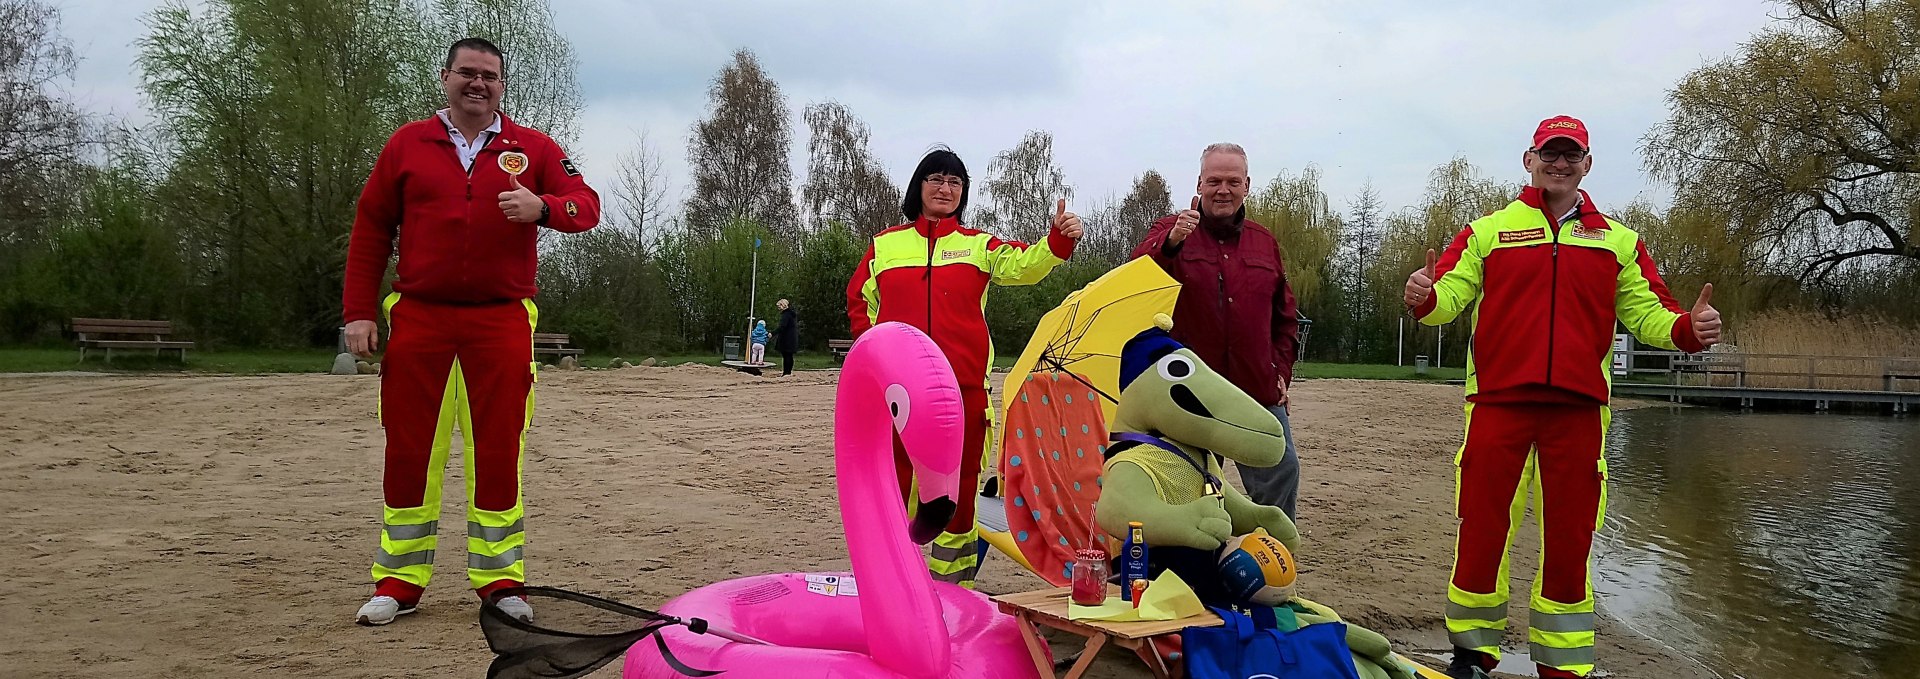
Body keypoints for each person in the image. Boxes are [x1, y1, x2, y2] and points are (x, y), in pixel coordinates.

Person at [1406, 116, 1720, 679]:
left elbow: (1649, 313)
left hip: (1579, 412)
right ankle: (1473, 654)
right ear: (1529, 160)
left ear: (1587, 164)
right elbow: (1447, 298)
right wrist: (1425, 297)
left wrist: (1688, 330)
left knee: (1571, 540)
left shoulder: (1620, 241)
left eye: (1571, 154)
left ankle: (1564, 666)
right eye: (1549, 153)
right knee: (1481, 530)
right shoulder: (1487, 232)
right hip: (1497, 405)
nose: (1559, 163)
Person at [342, 37, 600, 626]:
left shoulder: (532, 148)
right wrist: (358, 311)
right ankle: (399, 581)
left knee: (499, 447)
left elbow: (587, 205)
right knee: (409, 447)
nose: (477, 84)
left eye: (489, 76)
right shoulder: (408, 144)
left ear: (503, 86)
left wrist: (545, 210)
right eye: (467, 73)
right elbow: (371, 228)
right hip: (420, 316)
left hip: (500, 318)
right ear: (446, 77)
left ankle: (502, 581)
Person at [846, 147, 1083, 588]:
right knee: (893, 484)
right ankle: (892, 580)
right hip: (896, 394)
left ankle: (952, 588)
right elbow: (860, 299)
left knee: (959, 490)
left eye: (955, 182)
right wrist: (873, 350)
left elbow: (1025, 265)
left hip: (962, 393)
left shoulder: (978, 245)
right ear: (918, 186)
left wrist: (1057, 242)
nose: (945, 188)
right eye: (936, 178)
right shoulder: (887, 244)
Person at [1131, 142, 1303, 519]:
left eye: (1232, 181)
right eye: (1213, 181)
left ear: (1247, 185)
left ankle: (1270, 557)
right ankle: (1193, 567)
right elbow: (1135, 277)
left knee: (1281, 471)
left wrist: (1280, 371)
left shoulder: (1265, 242)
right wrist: (1173, 242)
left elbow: (1284, 316)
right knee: (1184, 486)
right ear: (1199, 183)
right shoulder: (1169, 230)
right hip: (1191, 391)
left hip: (1255, 388)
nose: (1222, 189)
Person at [774, 299, 798, 376]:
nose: (778, 308)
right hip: (791, 337)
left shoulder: (786, 315)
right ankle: (788, 371)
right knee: (789, 355)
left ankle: (786, 372)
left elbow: (782, 327)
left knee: (786, 355)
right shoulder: (791, 315)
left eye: (779, 306)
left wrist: (773, 333)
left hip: (787, 338)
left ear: (783, 305)